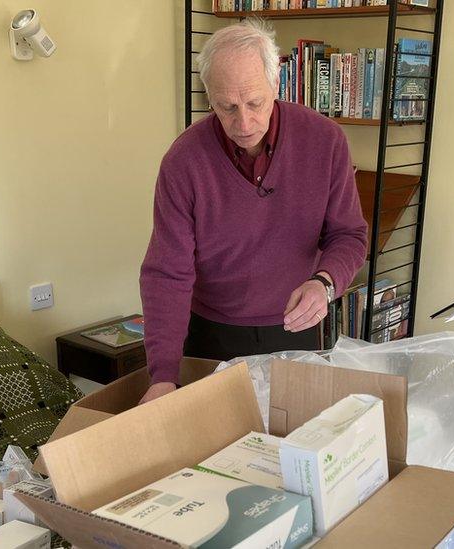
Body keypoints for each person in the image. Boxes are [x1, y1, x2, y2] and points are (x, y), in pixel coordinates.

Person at [138, 19, 368, 404]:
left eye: (254, 103)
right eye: (226, 107)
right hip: (211, 332)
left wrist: (325, 283)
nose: (243, 123)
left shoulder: (324, 140)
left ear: (276, 86)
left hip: (295, 324)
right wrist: (163, 374)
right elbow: (167, 272)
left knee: (290, 445)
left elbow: (349, 235)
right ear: (209, 97)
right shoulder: (184, 161)